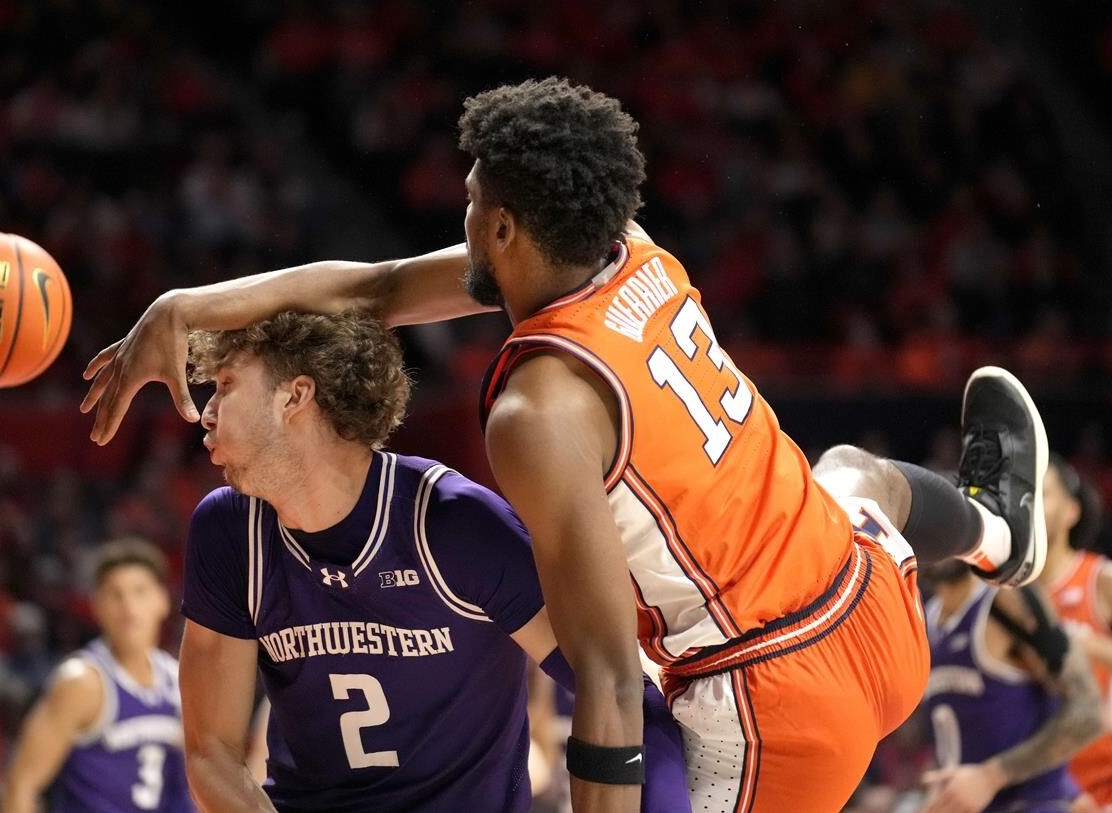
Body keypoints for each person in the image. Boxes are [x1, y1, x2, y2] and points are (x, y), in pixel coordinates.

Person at [82, 77, 1049, 812]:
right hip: (873, 605)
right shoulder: (626, 243)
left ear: (501, 227)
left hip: (771, 709)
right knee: (852, 470)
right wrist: (185, 308)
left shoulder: (536, 414)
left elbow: (609, 678)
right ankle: (999, 531)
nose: (458, 221)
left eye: (468, 206)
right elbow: (374, 287)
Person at [176, 310, 688, 812]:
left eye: (225, 384)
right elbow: (211, 752)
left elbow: (621, 690)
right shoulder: (230, 531)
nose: (208, 411)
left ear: (295, 396)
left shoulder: (452, 525)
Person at [0, 539, 193, 813]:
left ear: (163, 600)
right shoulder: (81, 682)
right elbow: (21, 785)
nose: (128, 606)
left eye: (140, 592)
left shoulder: (178, 681)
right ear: (96, 606)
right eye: (115, 594)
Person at [921, 559, 1101, 812]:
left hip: (1036, 803)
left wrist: (990, 777)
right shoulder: (923, 619)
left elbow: (1089, 713)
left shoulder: (1007, 601)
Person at [1038, 456, 1112, 803]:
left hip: (1102, 786)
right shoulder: (1004, 596)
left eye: (1043, 494)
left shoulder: (1100, 578)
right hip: (1041, 788)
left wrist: (1091, 646)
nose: (1031, 505)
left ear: (1071, 511)